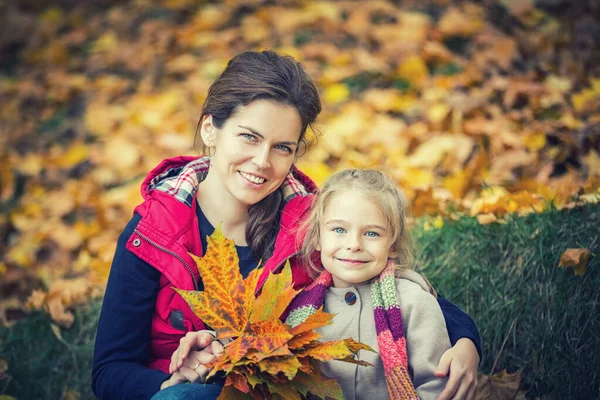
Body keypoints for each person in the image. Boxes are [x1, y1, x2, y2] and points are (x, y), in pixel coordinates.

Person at [92, 50, 481, 400]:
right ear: (210, 129)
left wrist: (466, 339)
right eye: (249, 137)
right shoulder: (153, 232)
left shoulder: (311, 225)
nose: (262, 161)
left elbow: (388, 287)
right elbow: (110, 370)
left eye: (282, 147)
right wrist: (169, 383)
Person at [286, 169, 459, 400]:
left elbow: (434, 385)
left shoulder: (414, 303)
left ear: (394, 245)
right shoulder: (302, 313)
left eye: (371, 233)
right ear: (317, 237)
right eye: (339, 230)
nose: (354, 244)